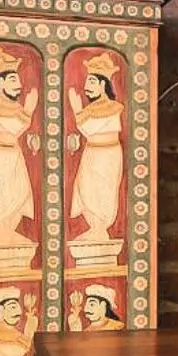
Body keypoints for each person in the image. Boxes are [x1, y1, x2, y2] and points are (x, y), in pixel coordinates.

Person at [0, 48, 40, 246]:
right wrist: (28, 110)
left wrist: (26, 111)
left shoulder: (16, 108)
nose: (19, 85)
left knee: (19, 192)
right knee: (0, 195)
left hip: (13, 154)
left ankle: (10, 232)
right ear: (1, 82)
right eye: (13, 80)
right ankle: (3, 233)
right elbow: (11, 130)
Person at [65, 50, 126, 241]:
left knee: (102, 191)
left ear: (103, 84)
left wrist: (77, 109)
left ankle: (100, 229)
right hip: (92, 153)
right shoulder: (91, 108)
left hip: (106, 155)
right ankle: (94, 228)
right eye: (87, 82)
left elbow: (89, 128)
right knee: (86, 189)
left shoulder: (113, 107)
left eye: (91, 82)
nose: (86, 87)